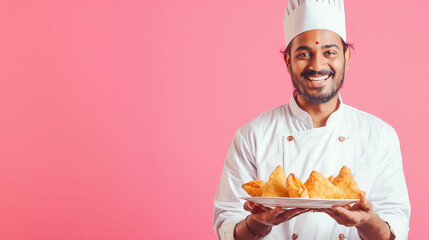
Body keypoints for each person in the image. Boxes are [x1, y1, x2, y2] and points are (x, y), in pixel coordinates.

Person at [213, 1, 411, 239]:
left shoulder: (380, 136)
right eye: (304, 54)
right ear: (288, 62)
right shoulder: (252, 135)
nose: (317, 65)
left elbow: (395, 228)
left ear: (346, 58)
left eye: (330, 52)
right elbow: (227, 227)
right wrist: (258, 224)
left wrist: (368, 222)